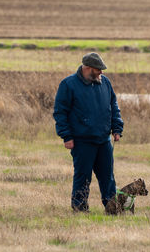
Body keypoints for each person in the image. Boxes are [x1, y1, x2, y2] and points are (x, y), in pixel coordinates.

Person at [53, 52, 124, 212]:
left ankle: (113, 208)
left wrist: (117, 128)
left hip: (104, 140)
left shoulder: (105, 83)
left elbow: (113, 106)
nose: (101, 72)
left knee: (108, 177)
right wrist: (66, 136)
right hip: (81, 141)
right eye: (98, 69)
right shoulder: (68, 84)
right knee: (83, 177)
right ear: (88, 68)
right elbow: (60, 112)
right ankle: (80, 208)